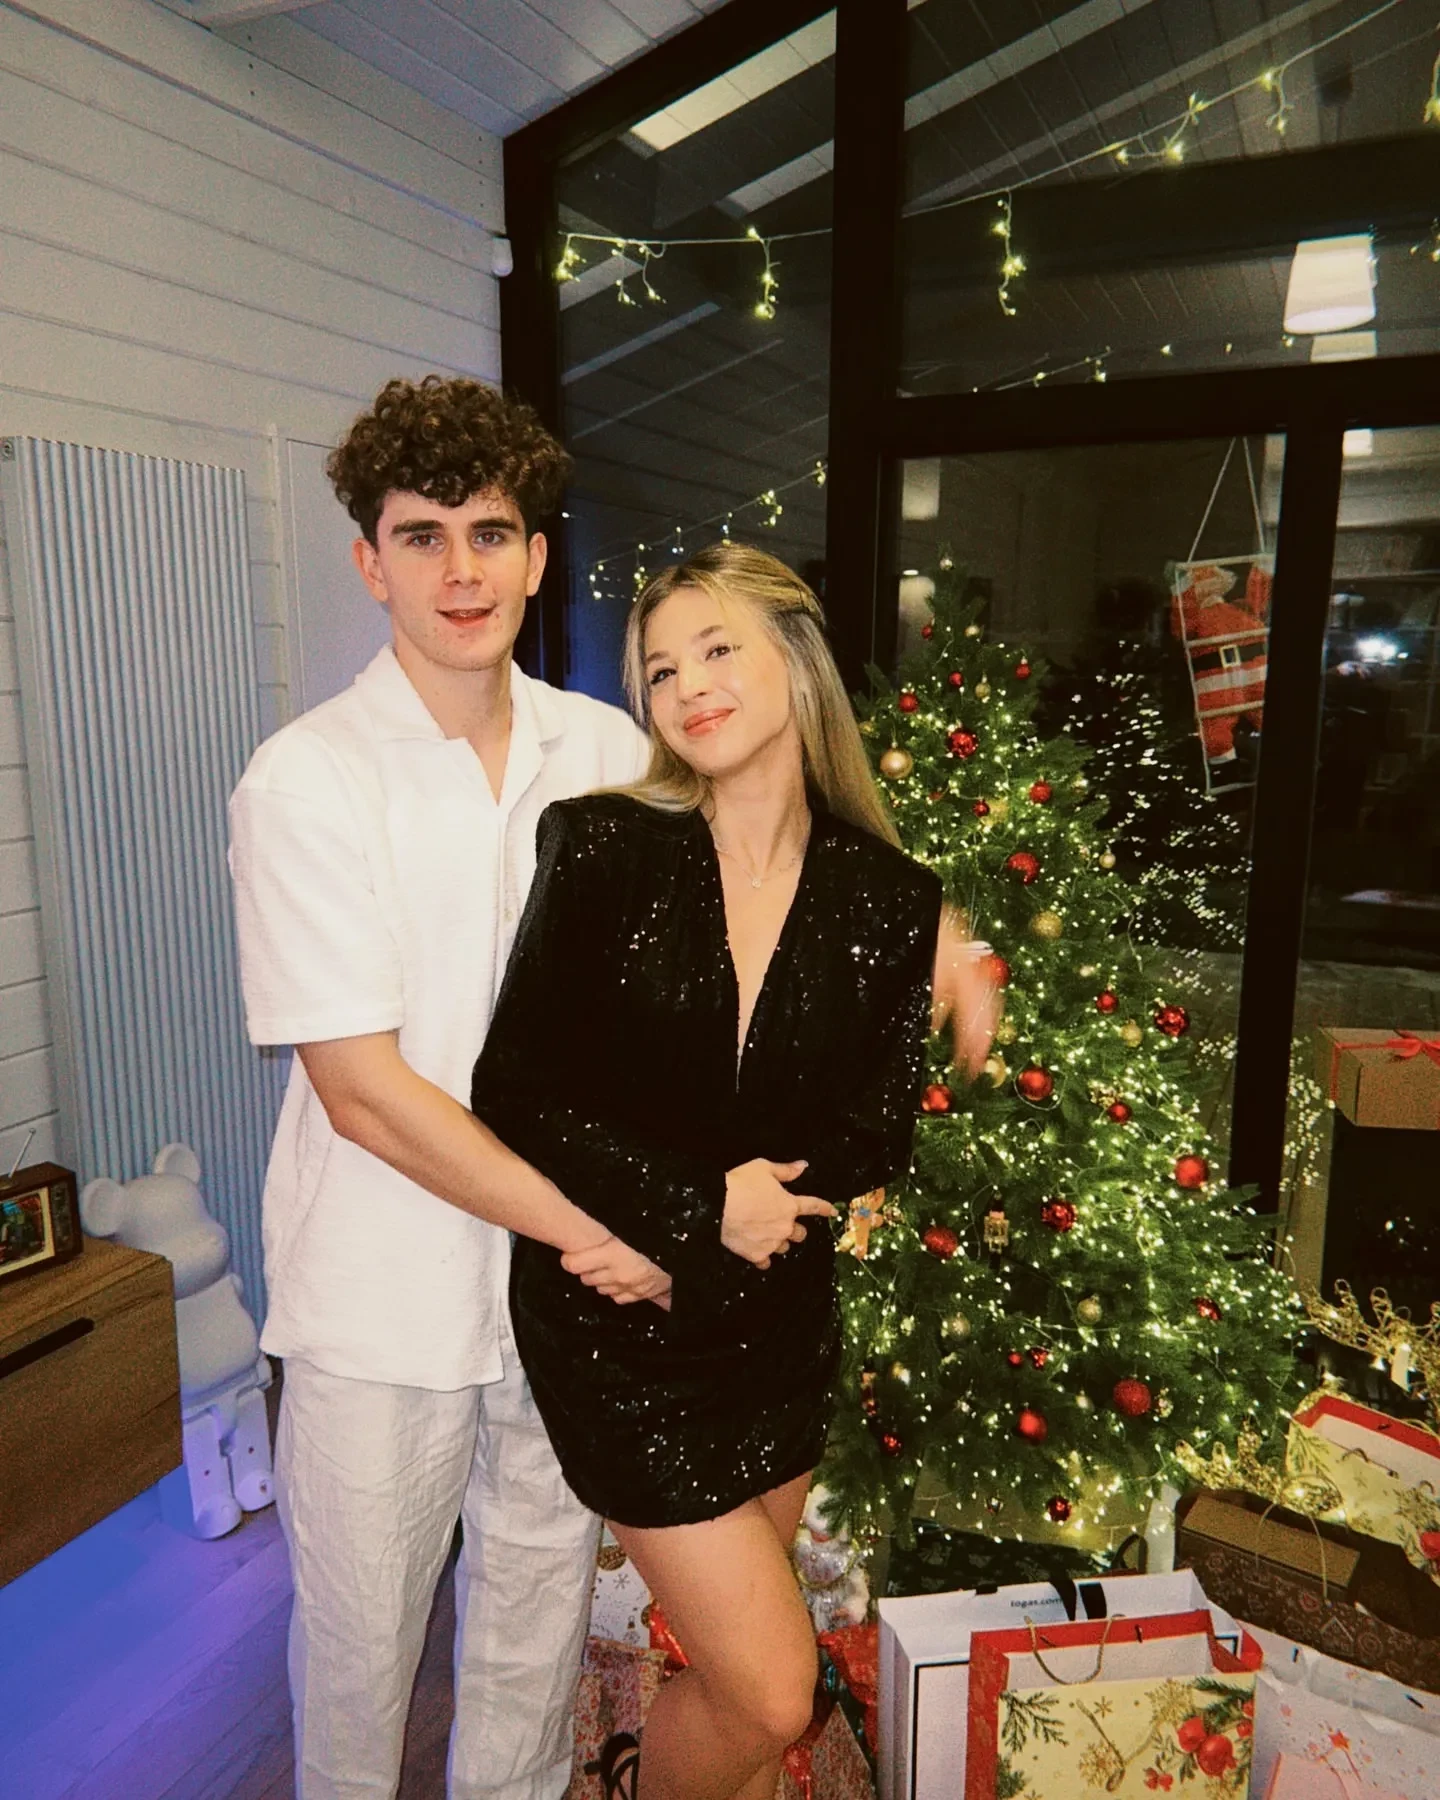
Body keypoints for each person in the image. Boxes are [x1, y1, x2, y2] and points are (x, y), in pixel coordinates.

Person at [470, 544, 995, 1800]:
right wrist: (690, 1215)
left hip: (771, 1329)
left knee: (738, 1695)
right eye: (661, 670)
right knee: (773, 1688)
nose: (688, 687)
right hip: (618, 1332)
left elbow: (869, 1138)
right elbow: (518, 1092)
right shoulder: (603, 846)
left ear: (796, 661)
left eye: (717, 650)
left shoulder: (889, 897)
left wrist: (700, 1238)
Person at [228, 376, 653, 1800]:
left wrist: (941, 932)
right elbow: (361, 1090)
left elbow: (757, 880)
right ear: (371, 563)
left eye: (491, 533)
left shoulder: (609, 753)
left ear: (537, 556)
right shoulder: (305, 780)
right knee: (357, 1675)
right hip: (379, 1306)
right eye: (423, 537)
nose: (461, 571)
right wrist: (587, 1229)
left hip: (553, 1311)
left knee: (532, 1652)